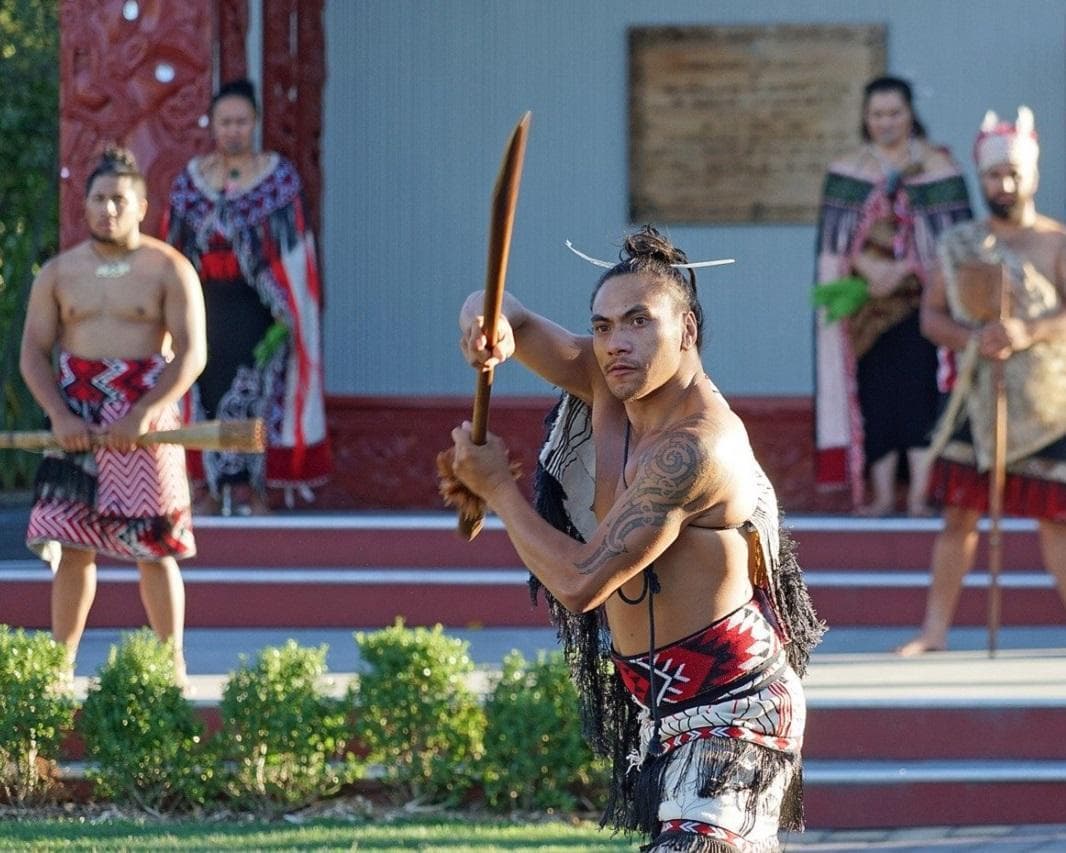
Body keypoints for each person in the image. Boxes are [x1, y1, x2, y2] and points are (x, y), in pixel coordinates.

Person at [442, 227, 824, 851]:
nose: (616, 343)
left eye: (639, 322)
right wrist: (489, 325)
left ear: (687, 331)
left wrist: (499, 491)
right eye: (602, 326)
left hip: (736, 710)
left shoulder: (695, 448)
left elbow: (580, 584)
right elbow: (499, 305)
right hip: (661, 707)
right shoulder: (610, 382)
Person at [20, 147, 206, 685]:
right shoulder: (59, 272)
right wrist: (58, 414)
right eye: (98, 199)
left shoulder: (169, 267)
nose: (108, 209)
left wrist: (143, 413)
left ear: (141, 205)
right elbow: (34, 351)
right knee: (73, 545)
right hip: (75, 415)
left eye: (118, 200)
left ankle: (171, 665)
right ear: (86, 205)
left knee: (156, 547)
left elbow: (192, 352)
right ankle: (59, 667)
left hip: (145, 418)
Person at [897, 107, 1066, 656]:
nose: (1005, 184)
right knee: (960, 516)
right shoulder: (961, 243)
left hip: (1047, 401)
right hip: (978, 393)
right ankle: (935, 631)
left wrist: (1025, 330)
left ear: (1033, 176)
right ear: (982, 177)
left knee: (1057, 519)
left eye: (1014, 174)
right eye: (995, 175)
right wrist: (978, 339)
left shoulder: (1057, 242)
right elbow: (932, 318)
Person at [164, 78, 330, 516]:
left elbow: (296, 256)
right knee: (203, 392)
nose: (233, 130)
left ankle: (250, 487)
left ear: (254, 123)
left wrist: (286, 312)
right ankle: (203, 485)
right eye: (225, 122)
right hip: (205, 309)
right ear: (213, 125)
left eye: (241, 121)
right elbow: (173, 251)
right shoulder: (191, 183)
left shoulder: (279, 180)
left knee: (254, 396)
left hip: (259, 311)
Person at [814, 76, 972, 516]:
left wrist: (904, 267)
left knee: (921, 396)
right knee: (876, 398)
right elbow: (833, 243)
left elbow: (955, 240)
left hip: (924, 305)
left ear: (910, 114)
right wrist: (867, 267)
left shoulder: (940, 166)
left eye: (895, 113)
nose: (886, 122)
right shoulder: (847, 169)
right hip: (864, 308)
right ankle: (882, 496)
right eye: (877, 115)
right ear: (866, 118)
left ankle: (921, 496)